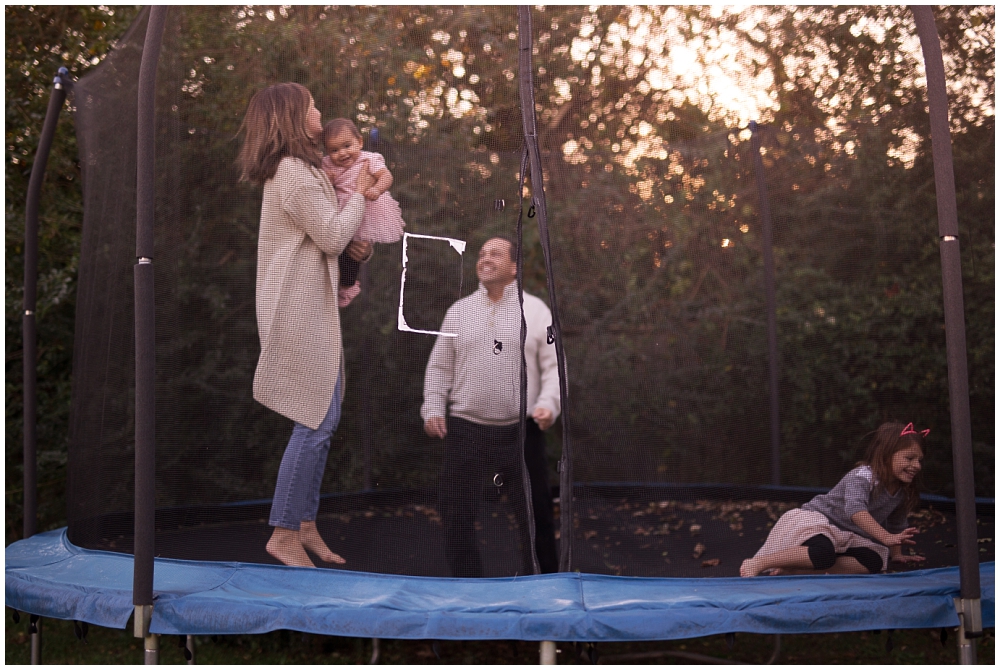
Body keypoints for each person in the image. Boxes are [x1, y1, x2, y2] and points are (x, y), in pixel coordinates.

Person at [237, 82, 377, 568]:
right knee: (315, 419)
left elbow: (329, 239)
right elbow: (333, 234)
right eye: (313, 106)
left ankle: (303, 522)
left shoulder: (307, 169)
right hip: (293, 311)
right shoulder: (291, 174)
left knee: (327, 414)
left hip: (309, 307)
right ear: (294, 117)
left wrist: (359, 245)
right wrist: (359, 198)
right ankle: (282, 532)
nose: (320, 111)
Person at [422, 236, 561, 577]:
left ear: (514, 267)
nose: (485, 259)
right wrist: (433, 407)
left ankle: (544, 590)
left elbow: (554, 364)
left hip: (521, 431)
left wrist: (548, 404)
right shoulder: (460, 311)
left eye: (495, 254)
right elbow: (439, 366)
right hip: (466, 427)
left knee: (536, 514)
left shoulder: (536, 310)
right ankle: (468, 593)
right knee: (456, 514)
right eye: (481, 254)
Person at [740, 421, 929, 577]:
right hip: (817, 521)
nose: (916, 465)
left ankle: (796, 570)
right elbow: (856, 512)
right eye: (909, 458)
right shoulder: (863, 477)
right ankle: (759, 562)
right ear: (886, 456)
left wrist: (896, 554)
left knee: (875, 560)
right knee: (823, 553)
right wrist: (885, 537)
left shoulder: (901, 490)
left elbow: (896, 524)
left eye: (919, 460)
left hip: (847, 536)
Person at [321, 118, 406, 307]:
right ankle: (341, 285)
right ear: (327, 151)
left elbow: (386, 176)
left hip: (367, 210)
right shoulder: (326, 164)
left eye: (347, 146)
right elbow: (323, 187)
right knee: (342, 251)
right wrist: (327, 179)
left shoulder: (368, 159)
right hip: (342, 212)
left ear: (359, 142)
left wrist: (377, 189)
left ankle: (347, 286)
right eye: (334, 150)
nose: (342, 153)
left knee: (356, 251)